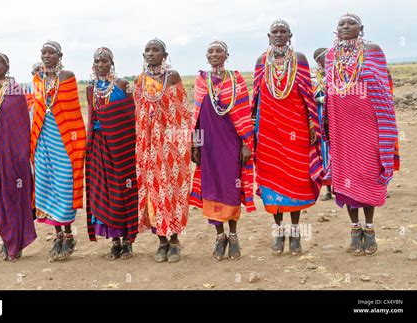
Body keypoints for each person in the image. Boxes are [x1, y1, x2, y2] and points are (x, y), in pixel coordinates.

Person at [322, 14, 398, 256]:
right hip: (341, 127)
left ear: (361, 28)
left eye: (350, 23)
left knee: (367, 173)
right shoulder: (331, 56)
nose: (345, 27)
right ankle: (355, 230)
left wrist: (385, 127)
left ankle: (370, 227)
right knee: (346, 176)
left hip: (369, 125)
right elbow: (330, 91)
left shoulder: (373, 51)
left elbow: (384, 90)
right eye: (341, 24)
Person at [252, 20, 323, 256]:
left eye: (283, 32)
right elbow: (255, 97)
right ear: (268, 36)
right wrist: (250, 132)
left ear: (290, 35)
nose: (279, 35)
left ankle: (294, 232)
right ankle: (278, 230)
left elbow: (308, 95)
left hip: (296, 127)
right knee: (272, 179)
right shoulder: (262, 61)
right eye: (275, 32)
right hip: (268, 130)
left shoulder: (300, 59)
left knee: (295, 179)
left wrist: (313, 122)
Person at [190, 40, 254, 261]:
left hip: (231, 145)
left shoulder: (236, 81)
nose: (214, 54)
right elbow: (196, 118)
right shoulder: (200, 82)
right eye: (211, 51)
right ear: (206, 56)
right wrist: (195, 144)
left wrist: (246, 143)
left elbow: (245, 115)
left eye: (219, 51)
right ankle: (220, 236)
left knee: (230, 188)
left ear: (227, 55)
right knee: (211, 188)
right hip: (208, 146)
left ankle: (233, 235)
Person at [134, 38, 191, 263]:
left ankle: (175, 240)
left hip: (171, 147)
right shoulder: (140, 80)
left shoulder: (173, 77)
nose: (150, 53)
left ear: (164, 55)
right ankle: (161, 241)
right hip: (148, 147)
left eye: (155, 50)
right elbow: (138, 113)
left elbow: (182, 112)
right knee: (153, 192)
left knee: (173, 189)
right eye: (147, 50)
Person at [0, 53, 36, 261]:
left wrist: (19, 155)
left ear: (7, 66)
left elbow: (20, 127)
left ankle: (17, 242)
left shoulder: (15, 91)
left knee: (13, 197)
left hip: (12, 156)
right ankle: (5, 239)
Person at [31, 41, 86, 261]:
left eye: (50, 52)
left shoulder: (67, 77)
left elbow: (70, 109)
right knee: (46, 185)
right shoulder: (38, 79)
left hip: (65, 141)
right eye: (43, 52)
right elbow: (36, 108)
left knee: (64, 186)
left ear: (59, 55)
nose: (46, 56)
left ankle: (69, 235)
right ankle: (58, 235)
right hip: (43, 140)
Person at [85, 47, 138, 260]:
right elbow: (91, 117)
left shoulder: (123, 85)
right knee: (102, 190)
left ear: (111, 63)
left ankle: (127, 240)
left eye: (104, 61)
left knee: (122, 189)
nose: (100, 64)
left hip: (121, 146)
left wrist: (112, 127)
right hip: (99, 145)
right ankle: (114, 240)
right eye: (96, 61)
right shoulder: (91, 88)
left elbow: (130, 117)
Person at [312, 48, 332, 200]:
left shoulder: (337, 72)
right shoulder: (313, 78)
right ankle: (328, 188)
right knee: (324, 150)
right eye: (326, 56)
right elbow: (308, 98)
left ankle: (341, 185)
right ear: (319, 61)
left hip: (337, 117)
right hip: (320, 117)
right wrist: (322, 100)